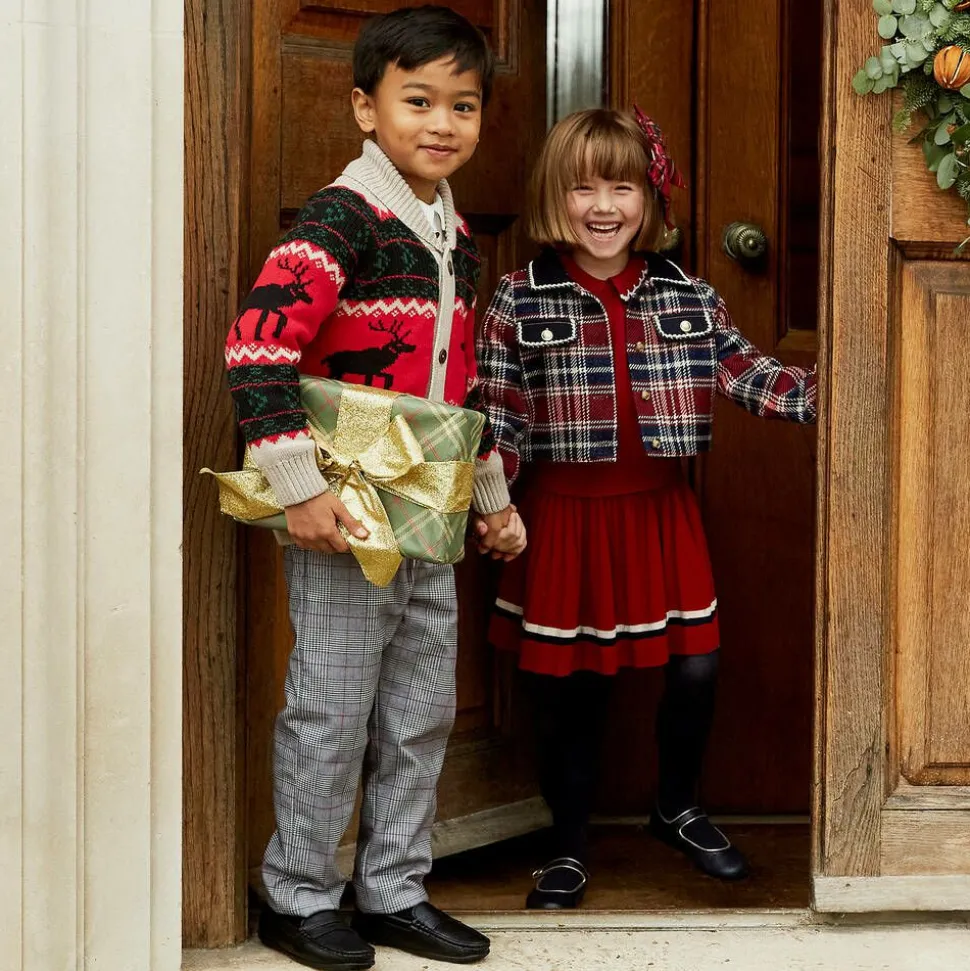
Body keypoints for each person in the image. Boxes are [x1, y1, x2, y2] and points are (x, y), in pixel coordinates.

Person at [225, 7, 524, 967]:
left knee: (421, 706)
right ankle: (299, 894)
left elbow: (459, 384)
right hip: (345, 510)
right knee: (333, 703)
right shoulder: (342, 218)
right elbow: (257, 349)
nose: (443, 123)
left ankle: (393, 886)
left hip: (428, 514)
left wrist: (491, 500)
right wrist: (299, 488)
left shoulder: (454, 233)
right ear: (366, 107)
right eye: (418, 101)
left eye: (463, 105)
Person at [477, 106, 817, 909]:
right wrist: (493, 506)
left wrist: (846, 386)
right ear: (554, 196)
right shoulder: (518, 297)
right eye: (583, 188)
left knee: (696, 668)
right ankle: (567, 844)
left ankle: (676, 806)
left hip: (661, 513)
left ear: (650, 199)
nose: (603, 206)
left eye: (622, 187)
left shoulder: (687, 293)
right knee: (573, 685)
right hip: (564, 517)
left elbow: (750, 374)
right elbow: (497, 414)